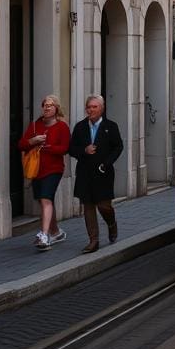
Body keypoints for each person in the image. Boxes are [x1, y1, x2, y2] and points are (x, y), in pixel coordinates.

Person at [69, 94, 124, 253]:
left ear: (102, 108)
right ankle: (93, 240)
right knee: (88, 205)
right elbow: (71, 149)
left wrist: (107, 163)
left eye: (94, 107)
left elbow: (118, 147)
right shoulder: (80, 127)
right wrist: (84, 150)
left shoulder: (111, 126)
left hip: (103, 171)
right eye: (89, 107)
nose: (91, 110)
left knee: (103, 206)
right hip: (85, 171)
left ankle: (111, 224)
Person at [18, 95, 71, 250]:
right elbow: (21, 145)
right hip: (36, 169)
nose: (47, 108)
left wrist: (48, 147)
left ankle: (44, 235)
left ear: (56, 108)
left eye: (50, 105)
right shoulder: (35, 125)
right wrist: (32, 142)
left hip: (54, 169)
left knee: (45, 199)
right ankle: (56, 231)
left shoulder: (62, 127)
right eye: (45, 105)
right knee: (45, 200)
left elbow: (66, 148)